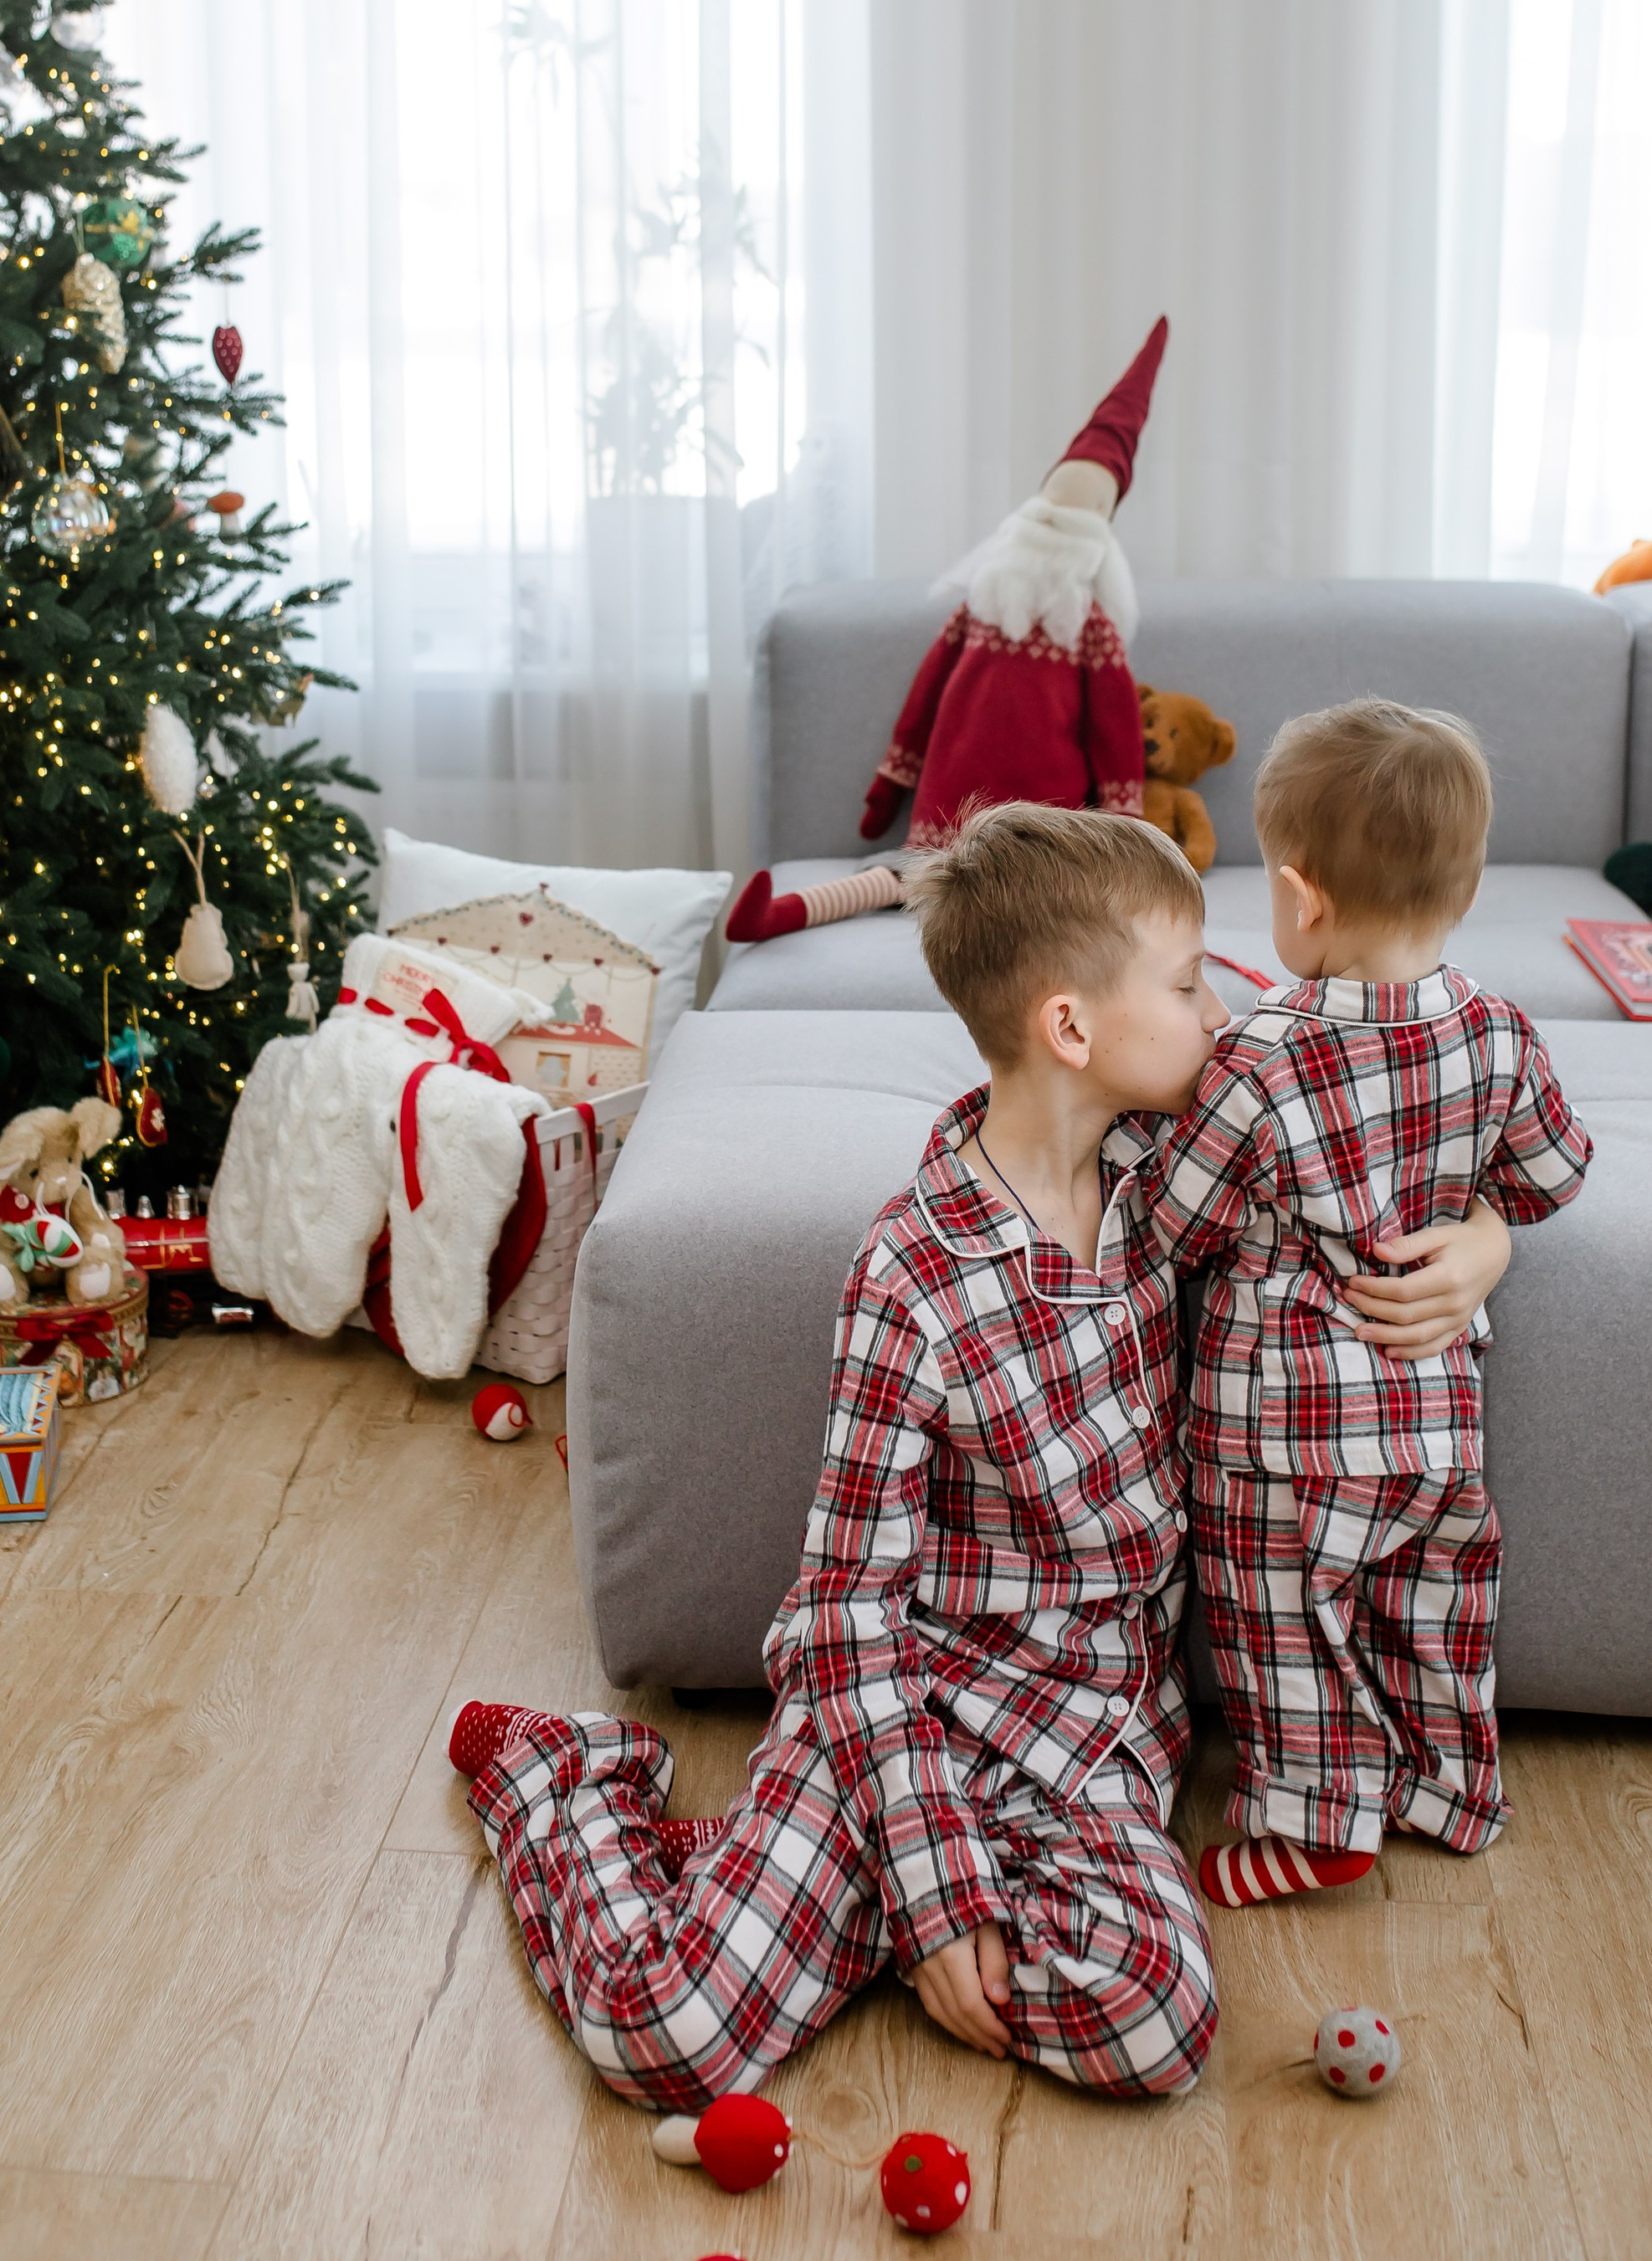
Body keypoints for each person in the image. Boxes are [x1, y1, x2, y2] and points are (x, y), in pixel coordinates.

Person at [448, 802, 1512, 2110]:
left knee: (1151, 2032)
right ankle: (573, 1781)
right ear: (1071, 1029)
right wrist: (941, 1898)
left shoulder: (1179, 1171)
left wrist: (1486, 1242)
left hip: (1088, 1740)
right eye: (1185, 989)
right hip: (898, 1720)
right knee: (668, 2038)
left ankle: (817, 1915)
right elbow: (847, 1613)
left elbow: (1391, 1132)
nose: (1223, 1016)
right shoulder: (911, 1277)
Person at [1140, 701, 1593, 1910]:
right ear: (1470, 881)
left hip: (1278, 1438)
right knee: (1433, 1609)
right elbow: (1552, 1174)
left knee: (1284, 1625)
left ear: (1301, 897)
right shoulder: (1499, 1031)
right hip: (1434, 1421)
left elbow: (1173, 1230)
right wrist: (1484, 1226)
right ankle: (1450, 1790)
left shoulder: (1259, 1061)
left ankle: (1313, 1816)